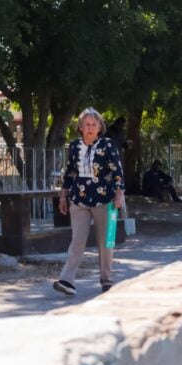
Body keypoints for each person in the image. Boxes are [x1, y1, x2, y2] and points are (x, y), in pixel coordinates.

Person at [53, 108, 125, 296]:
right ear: (80, 127)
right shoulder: (75, 146)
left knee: (106, 242)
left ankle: (106, 280)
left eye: (94, 124)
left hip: (105, 199)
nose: (90, 128)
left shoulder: (108, 145)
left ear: (100, 127)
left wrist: (119, 195)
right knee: (77, 241)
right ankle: (67, 280)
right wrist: (63, 196)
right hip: (79, 199)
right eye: (87, 124)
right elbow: (70, 173)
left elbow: (117, 171)